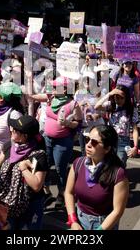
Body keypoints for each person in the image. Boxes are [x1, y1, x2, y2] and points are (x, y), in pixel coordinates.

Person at [64, 125, 129, 230]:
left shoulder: (118, 174)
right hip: (79, 221)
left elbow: (117, 211)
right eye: (87, 139)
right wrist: (73, 221)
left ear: (107, 149)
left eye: (94, 142)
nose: (88, 144)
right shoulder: (78, 163)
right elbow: (68, 193)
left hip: (104, 225)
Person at [0, 115, 48, 230]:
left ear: (25, 136)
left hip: (29, 206)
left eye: (15, 130)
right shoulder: (9, 146)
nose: (11, 130)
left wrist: (23, 168)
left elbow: (36, 185)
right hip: (7, 204)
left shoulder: (38, 155)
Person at [43, 76, 82, 207]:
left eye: (55, 86)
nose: (52, 88)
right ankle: (46, 191)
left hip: (62, 142)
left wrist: (67, 123)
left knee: (60, 169)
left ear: (65, 90)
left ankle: (62, 193)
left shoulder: (73, 104)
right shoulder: (52, 99)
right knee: (45, 165)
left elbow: (78, 123)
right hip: (47, 139)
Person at [95, 85, 139, 165]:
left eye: (121, 97)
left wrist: (135, 147)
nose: (118, 100)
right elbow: (96, 106)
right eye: (116, 97)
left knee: (120, 164)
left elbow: (135, 130)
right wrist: (110, 94)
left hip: (123, 141)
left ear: (126, 97)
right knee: (107, 163)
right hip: (110, 139)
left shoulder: (131, 109)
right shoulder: (111, 105)